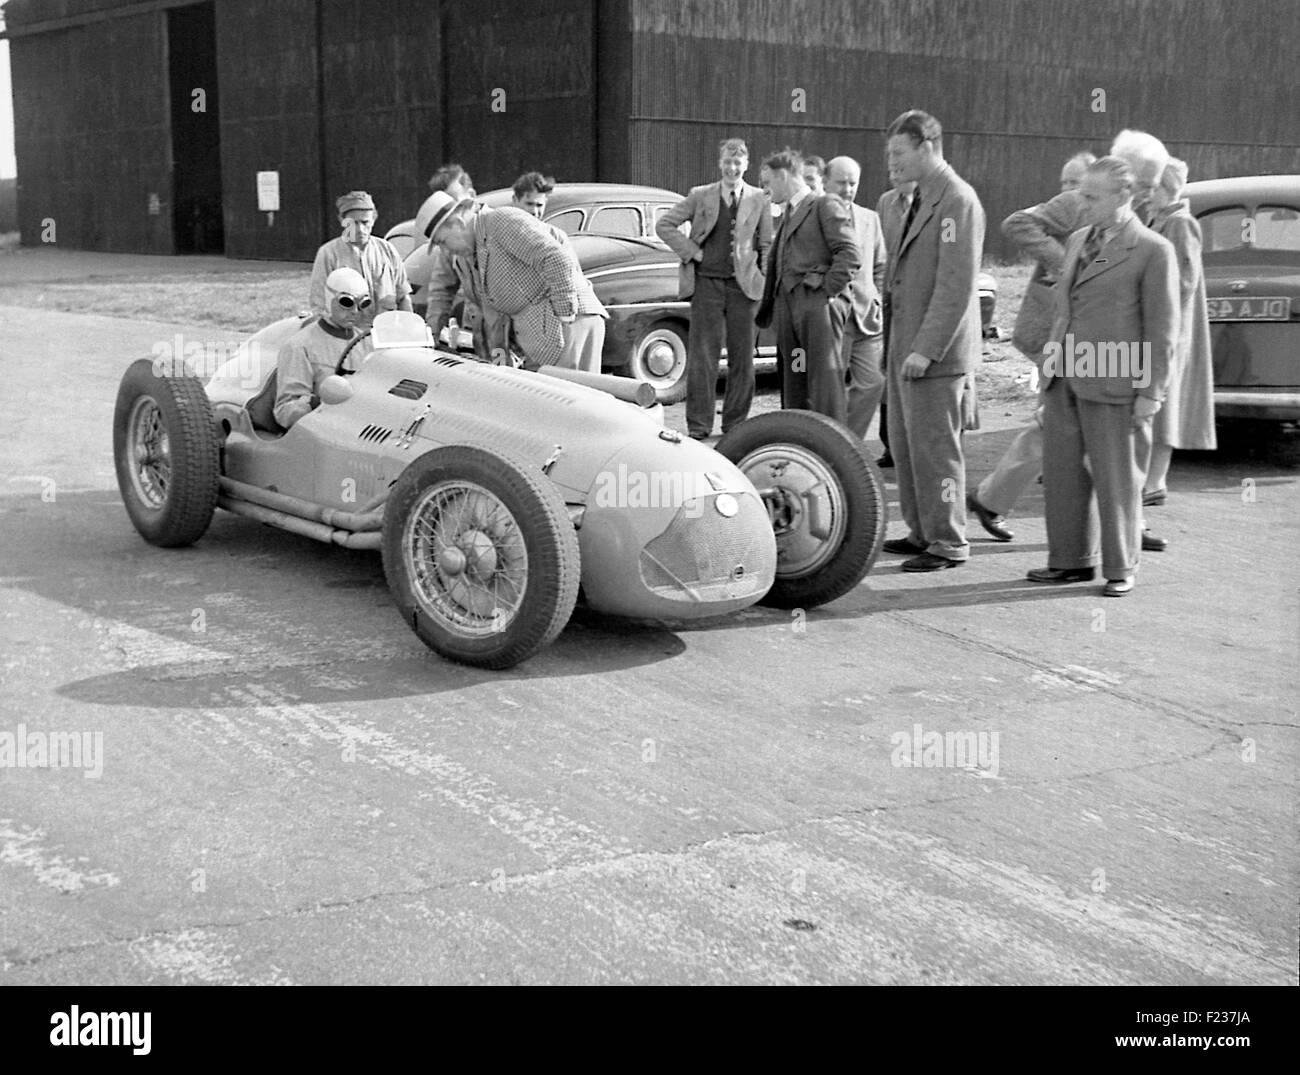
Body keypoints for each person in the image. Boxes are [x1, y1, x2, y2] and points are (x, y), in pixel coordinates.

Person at [1027, 156, 1178, 598]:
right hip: (1066, 378)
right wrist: (1048, 373)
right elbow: (1063, 312)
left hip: (1114, 378)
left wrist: (1151, 393)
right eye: (1081, 194)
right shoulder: (1076, 240)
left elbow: (1163, 329)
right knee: (1063, 476)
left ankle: (1120, 566)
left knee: (1116, 479)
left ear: (1123, 196)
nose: (1082, 202)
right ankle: (1070, 561)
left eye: (1092, 196)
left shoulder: (1152, 250)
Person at [879, 110, 985, 572]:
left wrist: (926, 347)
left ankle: (948, 540)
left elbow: (955, 284)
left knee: (937, 451)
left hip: (933, 355)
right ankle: (922, 531)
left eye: (899, 153)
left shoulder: (956, 201)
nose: (893, 163)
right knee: (906, 447)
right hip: (906, 348)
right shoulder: (921, 198)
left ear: (927, 146)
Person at [968, 153, 1093, 542]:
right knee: (1063, 421)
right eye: (1065, 182)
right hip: (1065, 335)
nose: (1067, 192)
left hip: (1091, 338)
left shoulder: (1128, 211)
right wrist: (1064, 262)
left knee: (1063, 423)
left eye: (1073, 183)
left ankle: (995, 498)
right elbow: (1016, 222)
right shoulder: (1077, 206)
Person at [655, 138, 772, 439]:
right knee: (703, 357)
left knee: (742, 358)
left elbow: (767, 244)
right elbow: (665, 225)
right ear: (720, 163)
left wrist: (763, 279)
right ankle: (698, 426)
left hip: (743, 289)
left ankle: (735, 425)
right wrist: (693, 252)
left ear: (746, 165)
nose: (732, 168)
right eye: (727, 162)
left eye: (738, 163)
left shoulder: (760, 198)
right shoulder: (700, 195)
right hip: (706, 285)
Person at [424, 191, 607, 372]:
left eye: (442, 241)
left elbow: (556, 258)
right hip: (539, 336)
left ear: (458, 223)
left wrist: (564, 316)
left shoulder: (502, 221)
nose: (445, 249)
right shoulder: (468, 254)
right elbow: (492, 314)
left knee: (571, 396)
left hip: (569, 324)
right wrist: (499, 363)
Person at [755, 148, 860, 424]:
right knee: (796, 379)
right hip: (790, 312)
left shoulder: (824, 205)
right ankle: (802, 441)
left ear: (784, 176)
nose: (766, 191)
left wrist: (825, 292)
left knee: (824, 384)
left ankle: (833, 449)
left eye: (768, 183)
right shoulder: (790, 211)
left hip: (816, 310)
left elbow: (849, 254)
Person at [1143, 158, 1217, 503]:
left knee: (1165, 407)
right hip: (1154, 328)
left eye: (1152, 186)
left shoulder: (1180, 223)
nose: (1146, 193)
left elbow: (1184, 282)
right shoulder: (1156, 219)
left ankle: (1155, 482)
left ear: (1166, 187)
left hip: (1171, 331)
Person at [824, 156, 887, 440]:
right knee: (831, 390)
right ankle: (832, 446)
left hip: (867, 318)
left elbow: (880, 265)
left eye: (853, 184)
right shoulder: (813, 214)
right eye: (841, 183)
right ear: (826, 182)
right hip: (831, 317)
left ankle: (849, 442)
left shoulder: (870, 218)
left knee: (874, 382)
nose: (848, 189)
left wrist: (876, 297)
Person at [275, 267, 369, 429]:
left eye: (362, 304)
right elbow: (286, 411)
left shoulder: (368, 343)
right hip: (324, 429)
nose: (355, 311)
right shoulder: (300, 346)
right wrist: (319, 401)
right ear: (329, 299)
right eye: (346, 303)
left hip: (363, 425)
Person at [308, 191, 411, 330]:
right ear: (342, 221)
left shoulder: (387, 250)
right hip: (347, 337)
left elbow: (403, 297)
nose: (360, 229)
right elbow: (319, 306)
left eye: (365, 222)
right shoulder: (328, 253)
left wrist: (411, 330)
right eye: (353, 223)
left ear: (374, 219)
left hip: (385, 333)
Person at [874, 175, 918, 467]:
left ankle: (913, 444)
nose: (896, 174)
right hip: (890, 297)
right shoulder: (886, 203)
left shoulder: (934, 205)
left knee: (913, 370)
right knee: (888, 369)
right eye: (893, 169)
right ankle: (891, 444)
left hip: (916, 300)